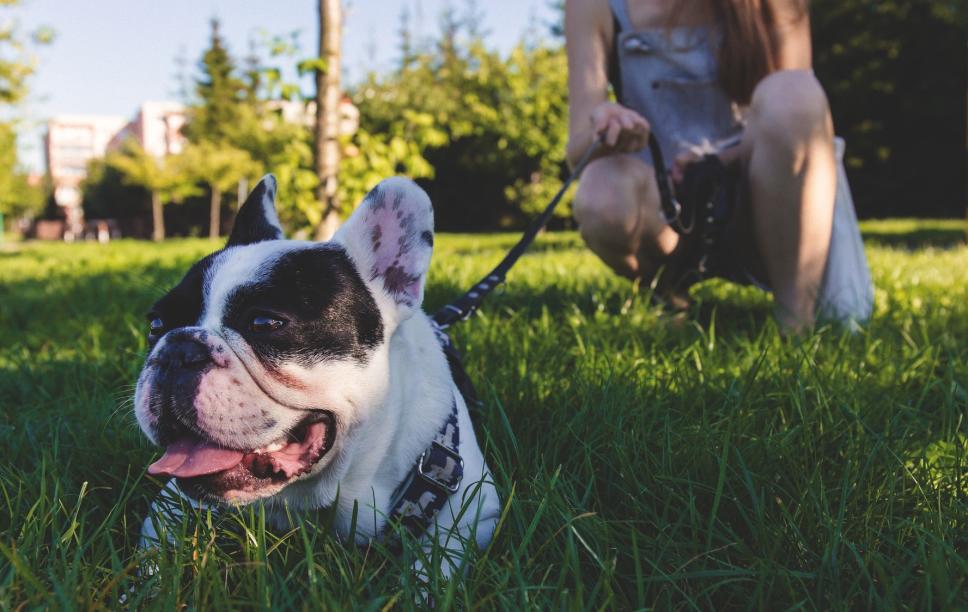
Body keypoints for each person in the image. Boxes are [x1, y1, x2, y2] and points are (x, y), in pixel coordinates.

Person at [565, 0, 873, 332]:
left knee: (795, 90)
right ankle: (667, 292)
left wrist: (714, 163)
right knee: (601, 189)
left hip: (760, 197)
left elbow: (802, 116)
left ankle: (796, 317)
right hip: (664, 209)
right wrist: (608, 127)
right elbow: (577, 151)